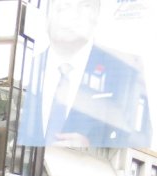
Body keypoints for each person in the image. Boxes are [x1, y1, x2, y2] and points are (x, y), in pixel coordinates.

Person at [17, 0, 151, 148]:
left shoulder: (122, 71)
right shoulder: (27, 66)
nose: (72, 15)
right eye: (64, 6)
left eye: (84, 6)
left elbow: (128, 136)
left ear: (96, 16)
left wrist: (90, 147)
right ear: (48, 15)